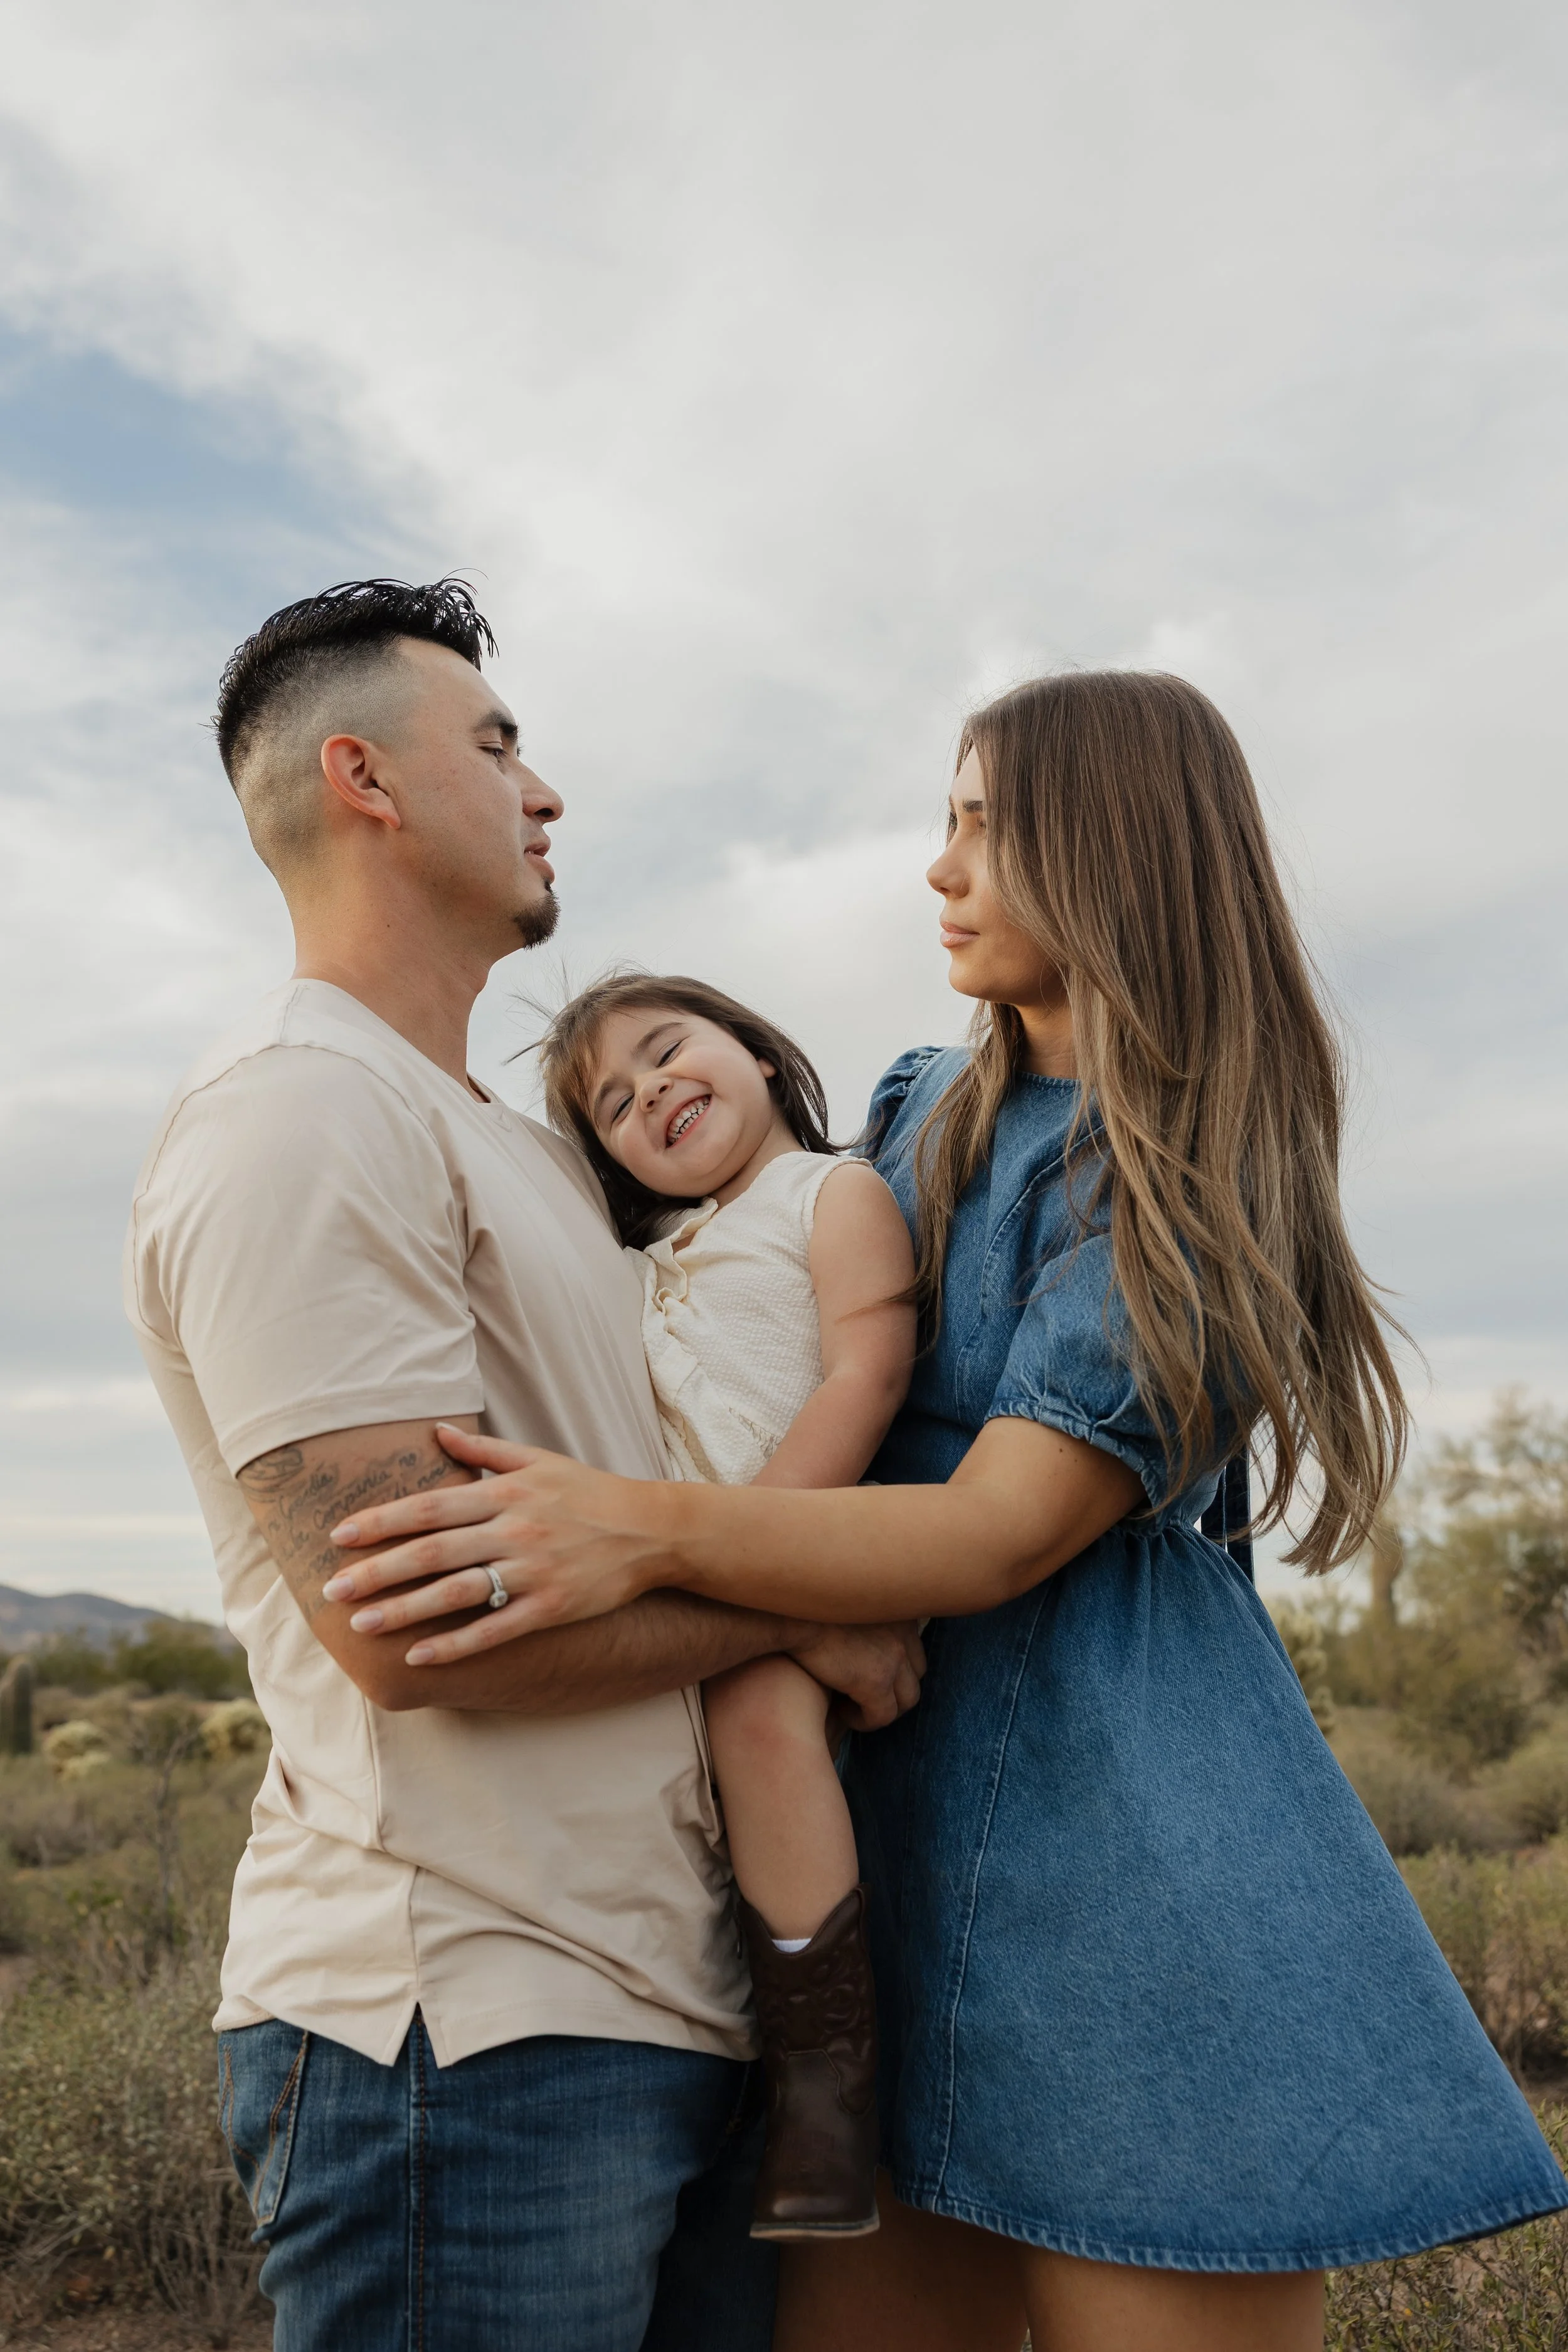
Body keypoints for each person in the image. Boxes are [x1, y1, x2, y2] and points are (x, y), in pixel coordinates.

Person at [322, 668, 1568, 2352]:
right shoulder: (920, 1108)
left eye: (980, 823)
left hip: (1127, 1875)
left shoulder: (1181, 1161)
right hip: (887, 1890)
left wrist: (645, 1527)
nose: (938, 867)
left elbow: (998, 1527)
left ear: (1108, 844)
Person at [124, 577, 924, 2352]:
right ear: (365, 779)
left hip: (667, 2011)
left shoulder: (531, 1159)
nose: (544, 786)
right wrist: (807, 1612)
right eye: (495, 743)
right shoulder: (295, 1112)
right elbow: (417, 1627)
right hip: (459, 2037)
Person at [535, 970, 916, 2238]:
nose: (650, 1090)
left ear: (753, 1050)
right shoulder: (642, 1260)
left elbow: (865, 1369)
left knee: (757, 1720)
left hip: (807, 1548)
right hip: (694, 1580)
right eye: (614, 1101)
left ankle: (829, 2097)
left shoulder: (831, 1192)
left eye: (666, 1050)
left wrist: (770, 1549)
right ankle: (744, 2061)